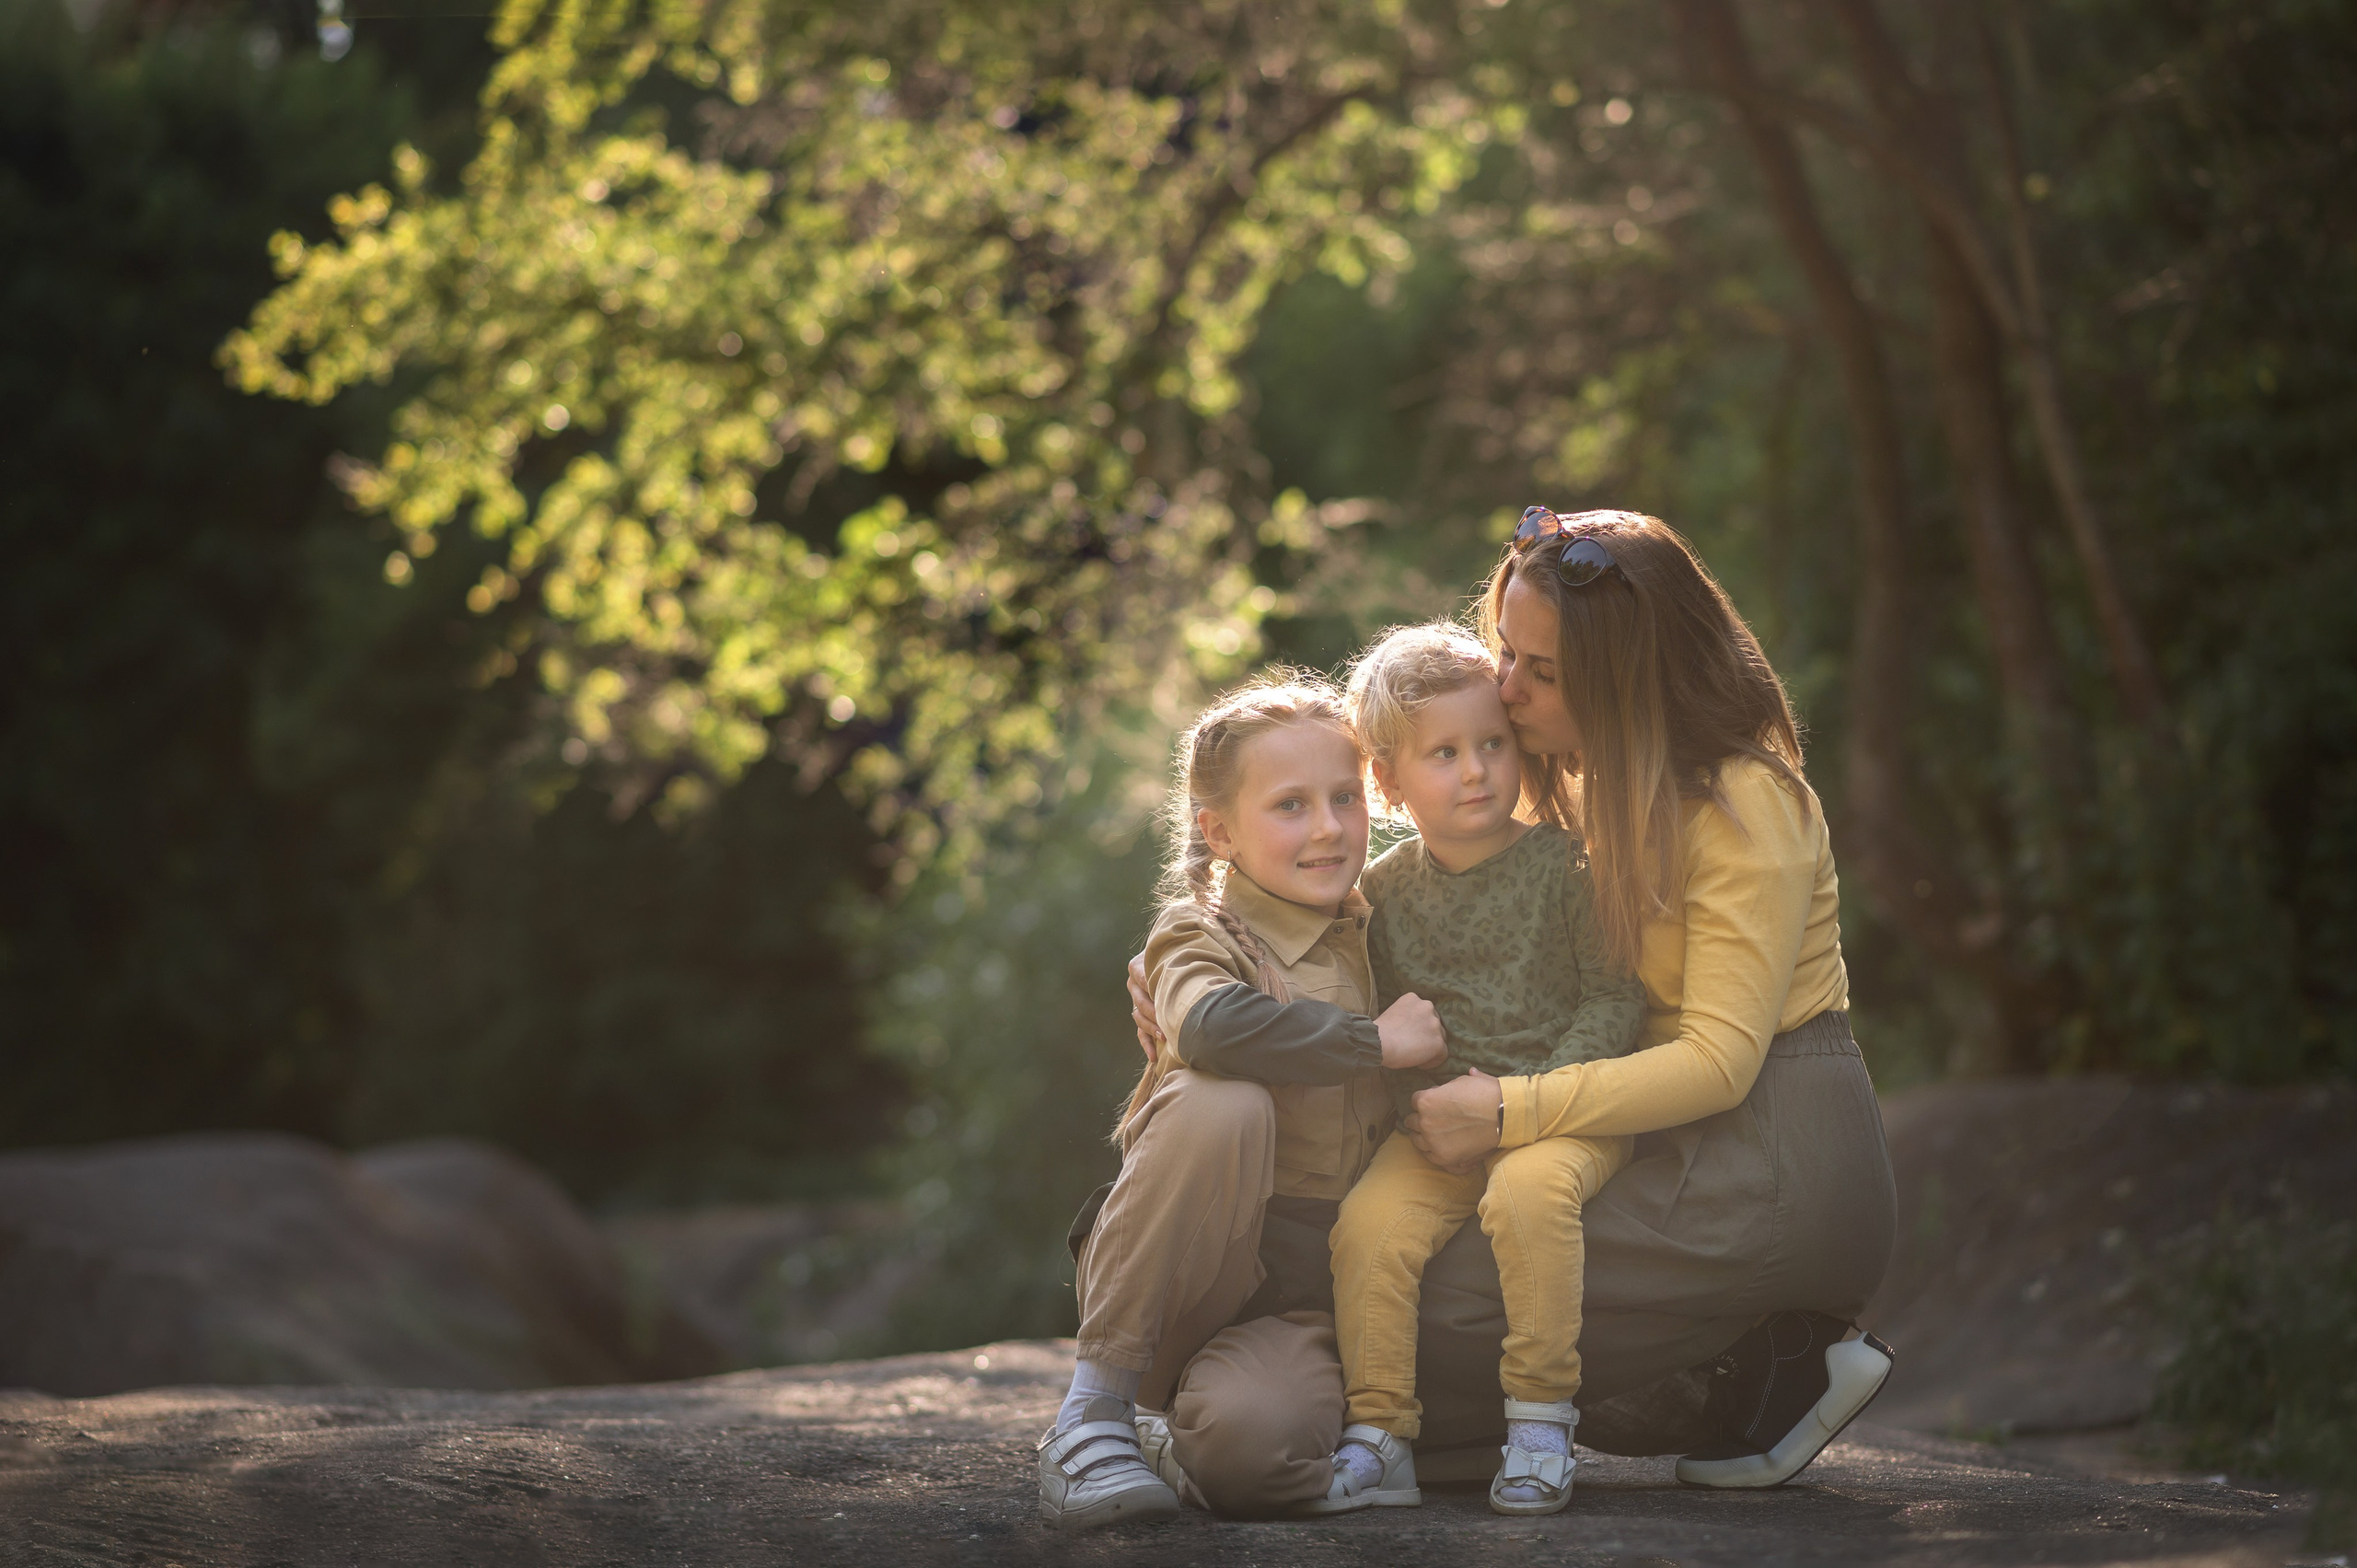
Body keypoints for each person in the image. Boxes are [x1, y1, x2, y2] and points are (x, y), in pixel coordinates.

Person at [1125, 507, 1898, 1500]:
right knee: (1396, 1261)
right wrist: (1210, 953)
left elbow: (1717, 1063)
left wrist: (1503, 1110)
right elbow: (1419, 893)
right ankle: (1739, 1367)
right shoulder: (1574, 787)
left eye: (1540, 669)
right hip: (1643, 1116)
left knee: (1446, 1304)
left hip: (1769, 1151)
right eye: (1505, 652)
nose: (1505, 686)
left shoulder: (1745, 804)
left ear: (1622, 678)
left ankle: (1744, 1369)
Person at [1041, 673, 1448, 1530]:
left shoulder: (1393, 925)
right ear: (1219, 831)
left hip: (1300, 1302)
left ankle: (1181, 1435)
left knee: (1253, 1461)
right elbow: (1213, 1028)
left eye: (1344, 797)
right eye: (1291, 805)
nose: (1330, 827)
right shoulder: (1198, 933)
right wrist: (1376, 1042)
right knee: (1224, 1101)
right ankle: (1093, 1414)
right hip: (1183, 1271)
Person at [1321, 622, 1647, 1516]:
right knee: (1367, 1226)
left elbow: (1615, 998)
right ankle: (1381, 1432)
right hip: (1438, 1129)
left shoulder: (1566, 866)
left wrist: (1531, 1103)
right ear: (1388, 780)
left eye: (1491, 744)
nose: (1476, 769)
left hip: (1565, 1111)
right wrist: (1420, 1110)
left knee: (1525, 1196)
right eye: (1445, 753)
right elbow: (1373, 1021)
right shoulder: (1381, 895)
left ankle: (1540, 1420)